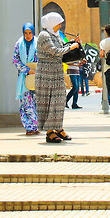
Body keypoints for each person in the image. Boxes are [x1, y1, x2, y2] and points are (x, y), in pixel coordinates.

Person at [36, 12, 81, 143]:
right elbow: (55, 51)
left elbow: (63, 48)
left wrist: (74, 44)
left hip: (57, 72)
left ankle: (58, 128)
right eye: (58, 23)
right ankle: (50, 132)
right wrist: (71, 47)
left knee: (59, 100)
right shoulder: (44, 35)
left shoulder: (57, 35)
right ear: (51, 23)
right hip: (46, 73)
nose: (60, 25)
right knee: (48, 101)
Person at [14, 23, 40, 134]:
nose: (28, 35)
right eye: (26, 33)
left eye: (30, 33)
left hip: (36, 76)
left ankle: (35, 126)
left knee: (36, 102)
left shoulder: (38, 43)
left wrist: (36, 70)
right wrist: (27, 70)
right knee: (25, 103)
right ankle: (29, 127)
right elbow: (15, 60)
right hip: (24, 77)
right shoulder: (19, 44)